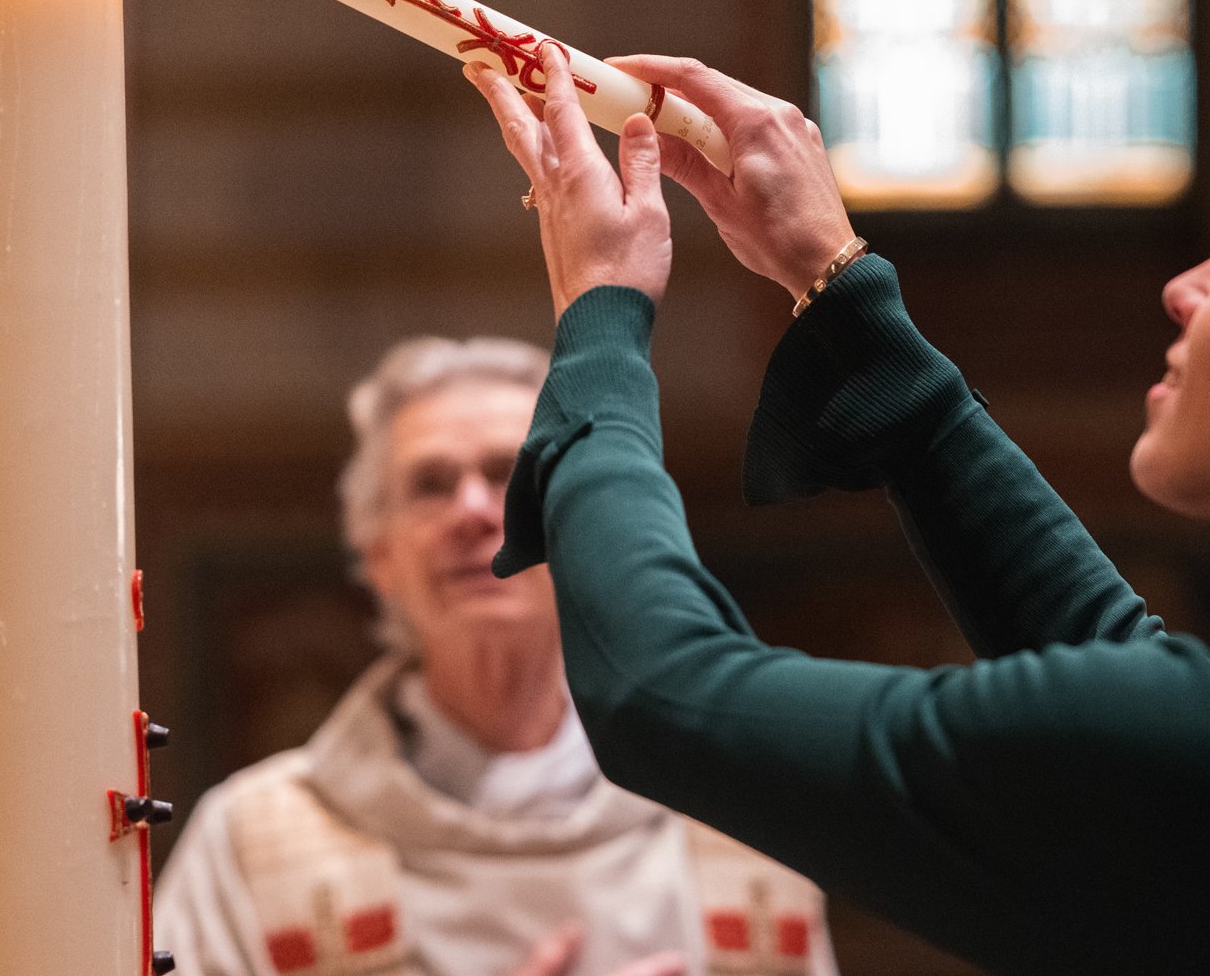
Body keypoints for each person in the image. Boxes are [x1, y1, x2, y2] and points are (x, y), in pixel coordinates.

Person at [466, 47, 1210, 975]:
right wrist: (833, 281)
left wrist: (603, 320)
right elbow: (1127, 675)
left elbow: (667, 694)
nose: (1188, 286)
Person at [154, 336, 837, 976]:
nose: (474, 509)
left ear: (586, 529)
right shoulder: (247, 841)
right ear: (379, 555)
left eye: (510, 473)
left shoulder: (734, 815)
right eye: (431, 484)